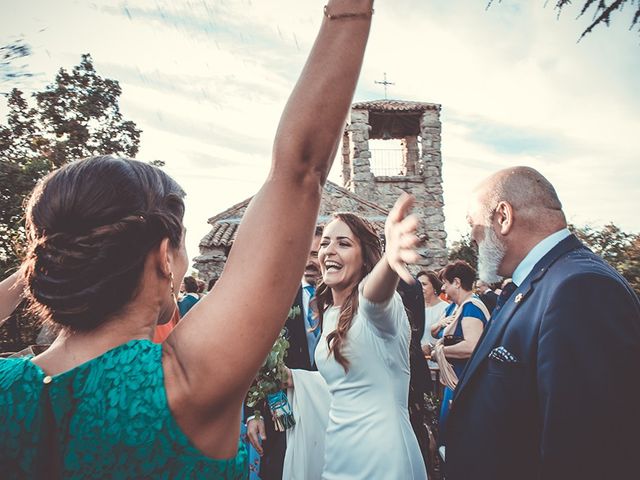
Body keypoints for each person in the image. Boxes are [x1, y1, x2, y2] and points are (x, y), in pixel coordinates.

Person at [0, 3, 374, 477]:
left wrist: (47, 251)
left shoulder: (8, 386)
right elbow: (300, 170)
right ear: (163, 257)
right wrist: (349, 13)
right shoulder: (182, 382)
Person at [445, 166, 640, 480]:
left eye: (473, 223)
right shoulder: (539, 283)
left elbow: (588, 454)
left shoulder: (580, 288)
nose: (471, 236)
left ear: (503, 217)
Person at [284, 198, 428, 480]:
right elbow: (343, 384)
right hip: (338, 449)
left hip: (381, 454)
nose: (329, 251)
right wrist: (290, 376)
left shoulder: (382, 310)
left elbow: (374, 297)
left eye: (343, 243)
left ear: (365, 258)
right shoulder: (329, 315)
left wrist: (390, 260)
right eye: (325, 243)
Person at [245, 227, 323, 480]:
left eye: (318, 253)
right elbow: (256, 354)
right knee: (280, 465)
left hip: (331, 403)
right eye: (307, 253)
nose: (312, 261)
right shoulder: (276, 297)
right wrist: (253, 414)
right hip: (283, 404)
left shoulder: (342, 297)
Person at [429, 261, 489, 444]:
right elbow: (435, 332)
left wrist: (439, 352)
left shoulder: (471, 307)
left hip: (464, 382)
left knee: (457, 437)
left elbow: (472, 347)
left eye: (446, 283)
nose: (443, 287)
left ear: (456, 282)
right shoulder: (454, 308)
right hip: (454, 381)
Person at [417, 270, 448, 364]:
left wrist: (431, 347)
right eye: (418, 284)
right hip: (417, 362)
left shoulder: (445, 308)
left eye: (424, 284)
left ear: (434, 286)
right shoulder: (416, 308)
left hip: (437, 362)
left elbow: (447, 337)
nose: (420, 288)